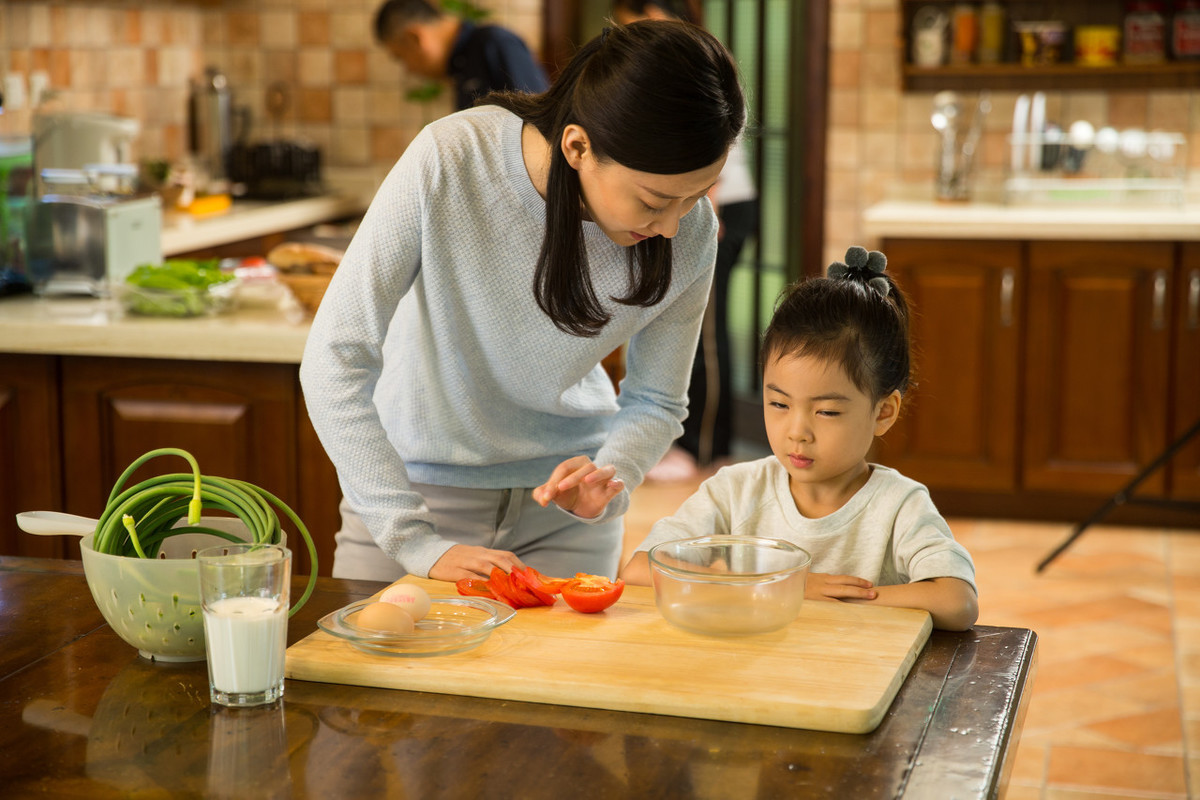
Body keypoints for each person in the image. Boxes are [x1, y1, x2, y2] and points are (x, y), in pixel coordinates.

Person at [300, 21, 746, 584]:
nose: (673, 226)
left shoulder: (691, 231)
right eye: (656, 200)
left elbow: (657, 398)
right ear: (578, 146)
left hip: (568, 521)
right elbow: (334, 357)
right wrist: (412, 540)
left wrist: (608, 478)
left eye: (695, 196)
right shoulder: (453, 158)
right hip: (415, 498)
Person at [620, 247, 979, 631]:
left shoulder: (898, 505)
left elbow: (956, 600)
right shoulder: (735, 491)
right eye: (778, 403)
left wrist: (837, 600)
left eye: (825, 411)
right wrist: (787, 587)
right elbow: (641, 570)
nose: (797, 431)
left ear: (883, 412)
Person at [611, 0, 761, 480]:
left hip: (720, 205)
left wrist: (703, 206)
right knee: (682, 326)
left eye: (638, 26)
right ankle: (684, 443)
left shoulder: (700, 63)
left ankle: (709, 450)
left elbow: (708, 145)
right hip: (693, 200)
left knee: (708, 331)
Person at [373, 0, 550, 111]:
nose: (409, 70)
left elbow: (541, 118)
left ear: (415, 38)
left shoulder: (494, 43)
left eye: (401, 57)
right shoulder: (460, 65)